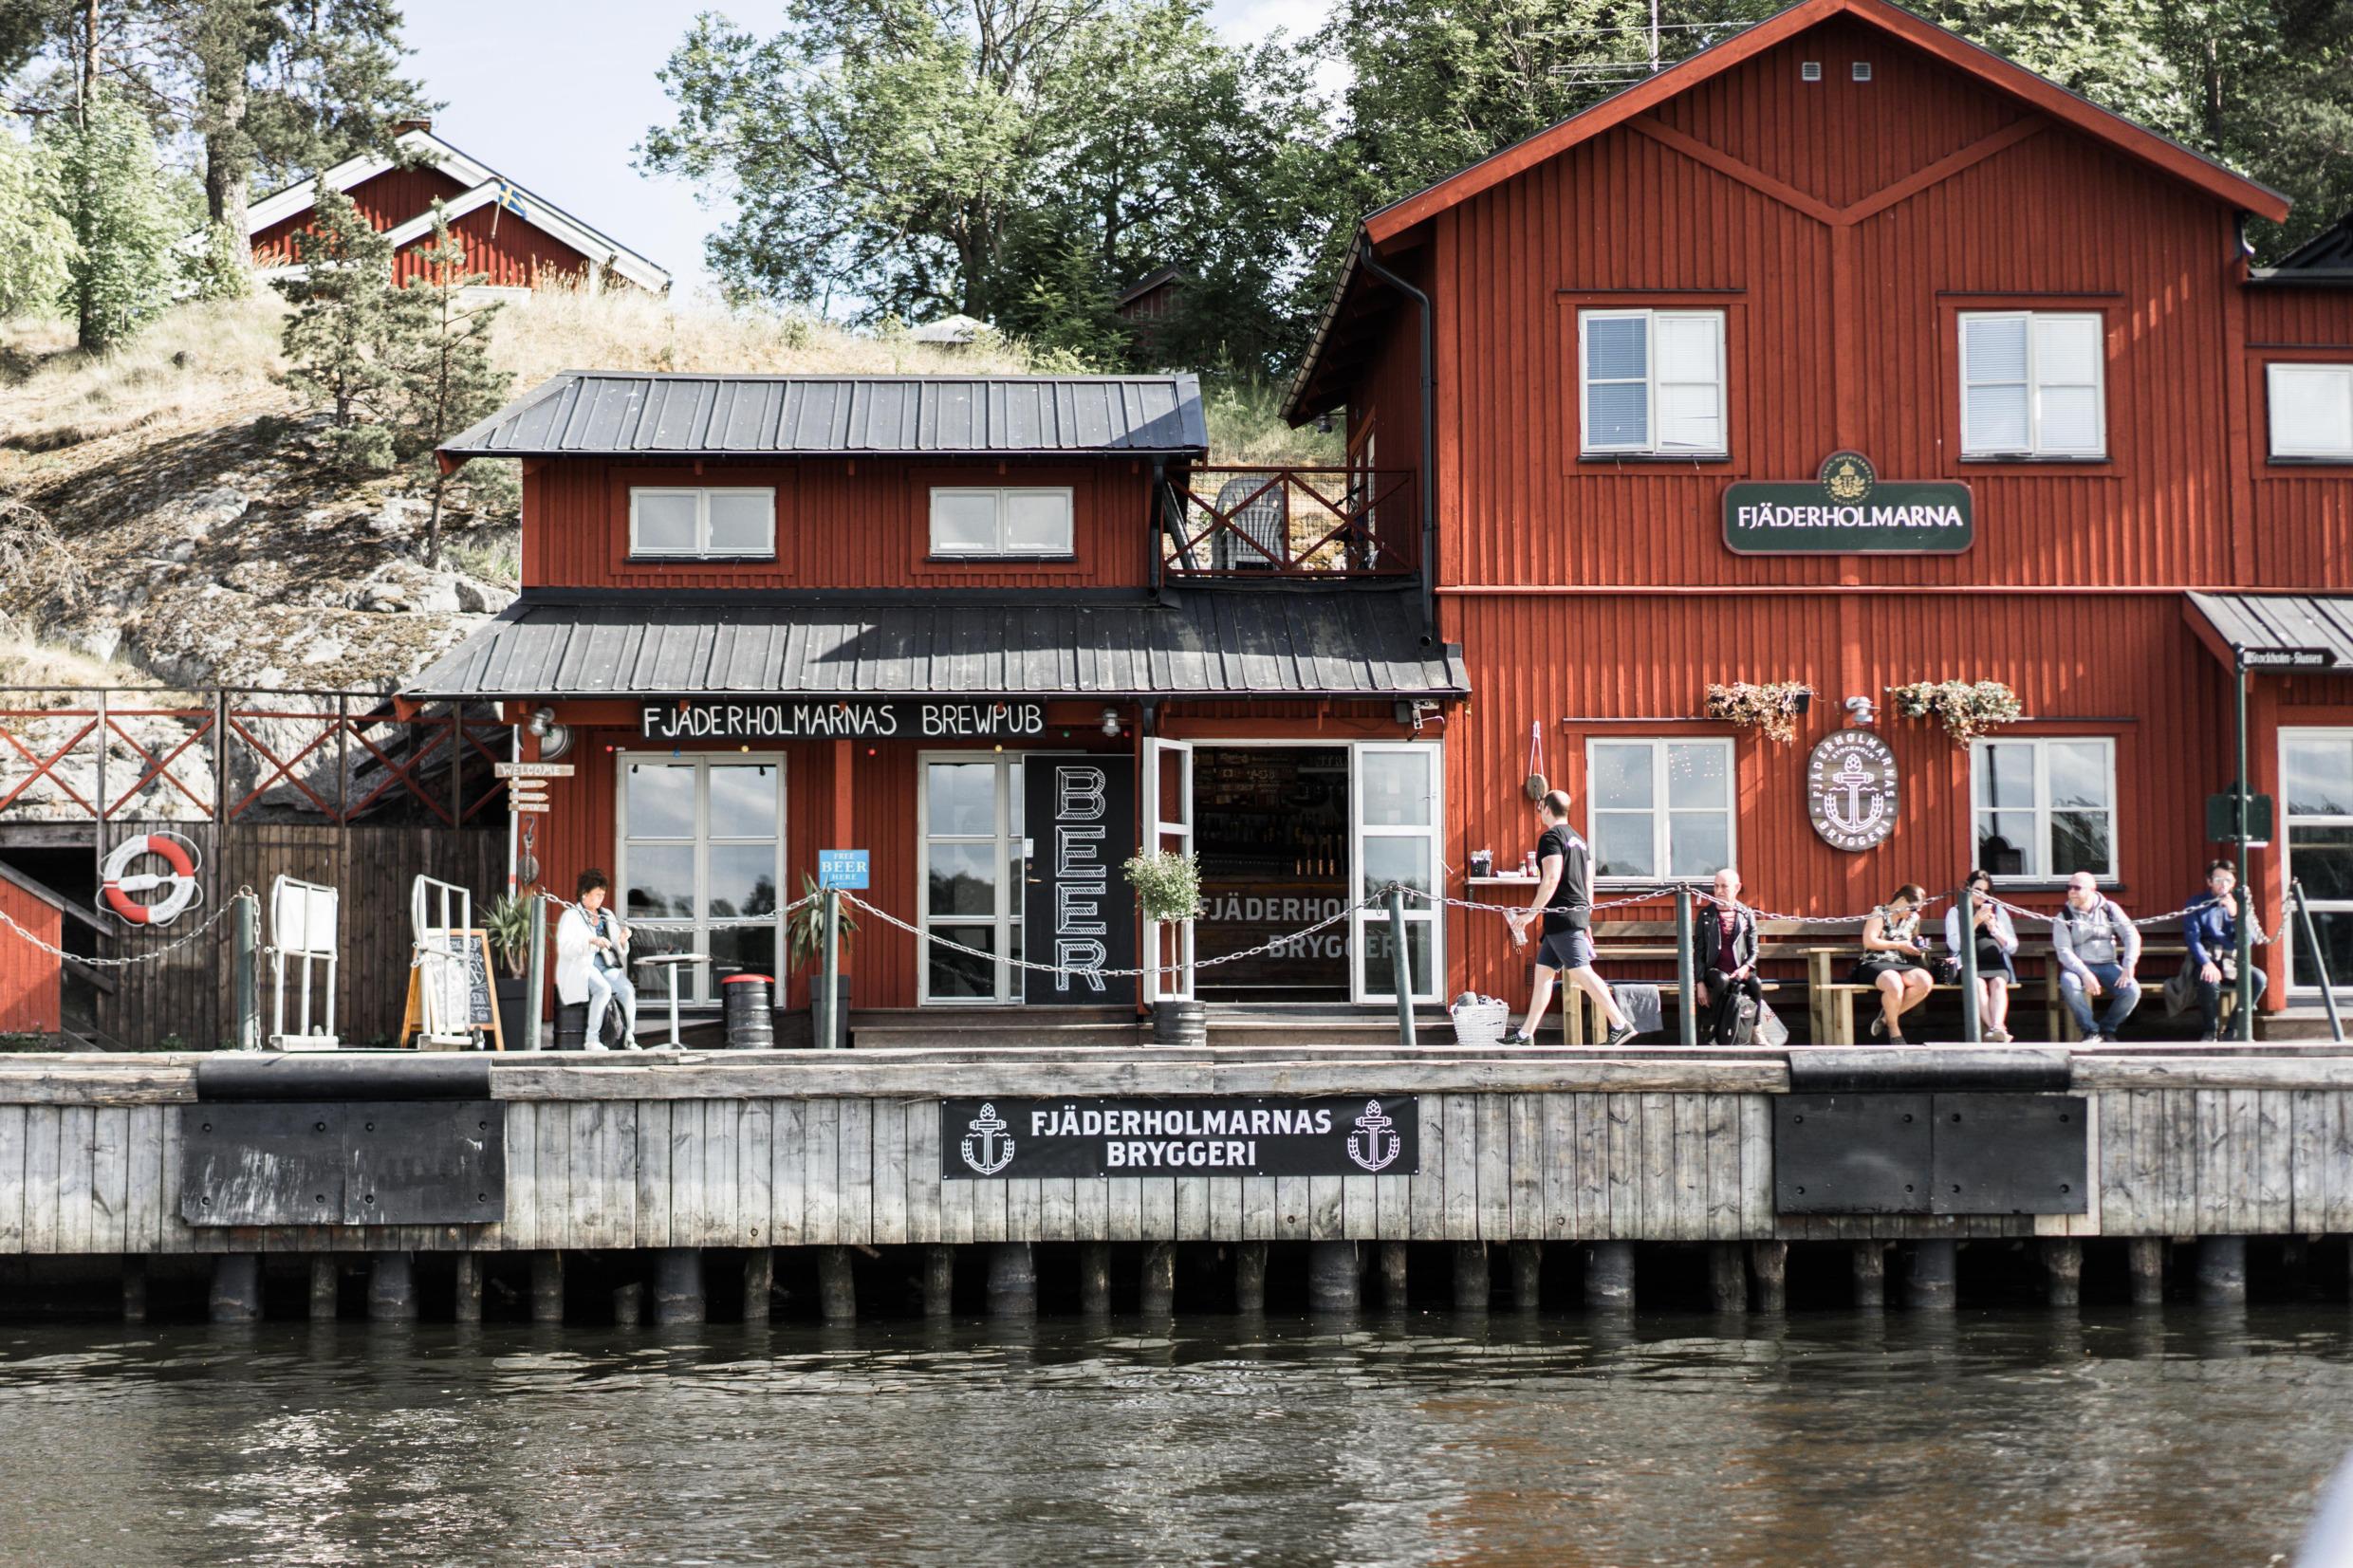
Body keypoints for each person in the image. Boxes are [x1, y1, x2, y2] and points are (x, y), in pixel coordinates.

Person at [1505, 788, 1637, 1047]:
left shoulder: (1551, 837)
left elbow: (1551, 877)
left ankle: (1620, 1023)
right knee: (1543, 975)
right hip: (1569, 917)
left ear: (1545, 808)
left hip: (1563, 917)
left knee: (1581, 971)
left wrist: (1531, 914)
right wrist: (1586, 918)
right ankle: (1525, 1035)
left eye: (1540, 808)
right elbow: (1589, 882)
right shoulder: (1579, 840)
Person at [2051, 870, 2141, 1042]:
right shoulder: (2064, 916)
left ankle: (2107, 1029)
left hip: (2108, 964)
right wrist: (2085, 974)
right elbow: (2064, 952)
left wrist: (2128, 965)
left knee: (2132, 991)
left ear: (2091, 889)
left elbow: (2131, 935)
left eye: (2077, 888)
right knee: (2069, 984)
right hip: (2079, 967)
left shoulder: (2109, 909)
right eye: (2068, 887)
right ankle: (2090, 1031)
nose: (2071, 891)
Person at [555, 868, 639, 1050]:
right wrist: (590, 941)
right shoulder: (572, 916)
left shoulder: (606, 915)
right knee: (603, 989)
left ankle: (629, 1036)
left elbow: (618, 948)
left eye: (602, 895)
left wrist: (623, 941)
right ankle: (592, 1040)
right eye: (597, 895)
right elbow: (565, 947)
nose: (600, 899)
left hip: (607, 965)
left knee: (627, 990)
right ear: (584, 894)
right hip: (583, 965)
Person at [2186, 859, 2268, 1042]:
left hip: (2233, 960)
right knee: (2208, 980)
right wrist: (2206, 963)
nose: (2223, 885)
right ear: (2209, 881)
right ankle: (2210, 1030)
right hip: (2208, 958)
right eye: (2218, 880)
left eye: (2228, 881)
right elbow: (2193, 938)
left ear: (2234, 883)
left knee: (2258, 978)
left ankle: (2232, 1029)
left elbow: (2250, 939)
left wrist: (2235, 914)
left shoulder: (2240, 904)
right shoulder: (2196, 903)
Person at [1942, 869, 2019, 1042]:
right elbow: (1954, 945)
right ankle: (1996, 1029)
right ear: (1969, 889)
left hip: (1997, 964)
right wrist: (1975, 921)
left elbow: (2013, 947)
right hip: (1970, 965)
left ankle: (1996, 1027)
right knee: (1977, 984)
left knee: (1998, 983)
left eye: (1986, 891)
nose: (1981, 895)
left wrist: (1994, 930)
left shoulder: (1999, 912)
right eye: (1978, 890)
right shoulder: (1956, 912)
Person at [1853, 884, 1934, 1043]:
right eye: (1912, 908)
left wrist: (1914, 947)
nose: (1914, 912)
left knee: (1925, 981)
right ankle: (1894, 1030)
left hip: (1899, 962)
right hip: (1874, 962)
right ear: (1902, 900)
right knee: (1894, 984)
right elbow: (1869, 942)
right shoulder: (1879, 913)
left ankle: (1884, 1018)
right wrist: (1899, 945)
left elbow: (1909, 941)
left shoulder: (1913, 918)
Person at [1694, 867, 1762, 1045]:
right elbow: (1699, 951)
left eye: (1724, 886)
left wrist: (1745, 968)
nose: (1719, 891)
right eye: (1716, 886)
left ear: (1737, 888)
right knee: (1722, 980)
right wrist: (1699, 983)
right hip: (1715, 971)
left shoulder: (1746, 914)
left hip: (1739, 969)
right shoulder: (1706, 915)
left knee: (1755, 983)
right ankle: (1716, 1031)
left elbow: (1754, 950)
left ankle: (1756, 1028)